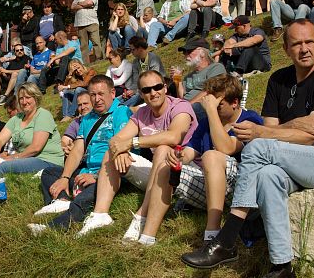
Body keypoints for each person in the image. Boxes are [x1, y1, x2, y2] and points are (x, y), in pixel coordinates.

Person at [181, 19, 314, 278]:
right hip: (289, 160)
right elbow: (277, 130)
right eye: (296, 44)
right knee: (266, 175)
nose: (304, 49)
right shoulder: (278, 79)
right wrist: (295, 125)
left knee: (256, 146)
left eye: (309, 42)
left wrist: (271, 131)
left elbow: (308, 136)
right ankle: (281, 265)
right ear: (286, 49)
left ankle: (227, 239)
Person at [76, 70, 197, 240]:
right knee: (111, 153)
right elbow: (116, 140)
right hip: (159, 173)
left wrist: (131, 143)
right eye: (147, 90)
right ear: (141, 94)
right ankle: (100, 214)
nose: (153, 93)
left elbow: (174, 137)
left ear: (165, 88)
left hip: (187, 172)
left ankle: (142, 216)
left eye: (157, 87)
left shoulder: (180, 106)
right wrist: (120, 150)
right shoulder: (142, 113)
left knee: (163, 149)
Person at [28, 75, 133, 235]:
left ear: (112, 93)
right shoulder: (87, 118)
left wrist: (96, 177)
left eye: (101, 94)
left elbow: (121, 149)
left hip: (113, 174)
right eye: (93, 95)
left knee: (84, 198)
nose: (97, 99)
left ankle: (53, 228)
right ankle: (61, 199)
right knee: (50, 173)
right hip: (87, 171)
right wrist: (65, 178)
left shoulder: (122, 112)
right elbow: (78, 150)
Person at [176, 75, 263, 241]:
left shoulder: (250, 120)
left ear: (235, 102)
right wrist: (177, 157)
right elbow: (189, 152)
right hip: (212, 187)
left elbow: (226, 148)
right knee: (164, 162)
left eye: (218, 104)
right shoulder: (206, 123)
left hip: (243, 190)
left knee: (211, 156)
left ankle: (212, 233)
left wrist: (210, 111)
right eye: (211, 103)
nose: (213, 107)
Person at [0, 82, 65, 185]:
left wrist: (13, 158)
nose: (24, 102)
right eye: (21, 98)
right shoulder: (16, 119)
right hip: (26, 159)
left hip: (47, 161)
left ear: (35, 97)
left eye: (28, 97)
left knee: (5, 166)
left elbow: (36, 147)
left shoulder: (43, 115)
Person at [173, 37, 226, 120]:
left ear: (202, 53)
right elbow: (181, 97)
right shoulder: (188, 76)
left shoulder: (216, 68)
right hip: (187, 109)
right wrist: (178, 80)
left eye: (189, 51)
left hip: (205, 107)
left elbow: (210, 91)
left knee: (195, 107)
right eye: (184, 52)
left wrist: (187, 106)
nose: (185, 55)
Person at [122, 36, 166, 107]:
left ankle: (121, 109)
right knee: (123, 96)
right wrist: (131, 91)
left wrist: (136, 91)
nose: (131, 52)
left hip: (155, 88)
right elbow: (136, 80)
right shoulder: (135, 62)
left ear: (140, 49)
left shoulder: (153, 59)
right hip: (142, 88)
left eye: (133, 49)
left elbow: (153, 80)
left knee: (139, 95)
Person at [71, 0, 102, 64]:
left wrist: (79, 4)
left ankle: (99, 60)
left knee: (96, 42)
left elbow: (90, 3)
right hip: (80, 24)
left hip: (92, 22)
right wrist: (84, 4)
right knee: (83, 46)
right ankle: (85, 63)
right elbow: (72, 7)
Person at [61, 91, 93, 155]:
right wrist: (67, 147)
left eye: (85, 103)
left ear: (93, 103)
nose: (82, 107)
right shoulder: (76, 122)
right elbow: (65, 140)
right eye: (79, 105)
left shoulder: (101, 119)